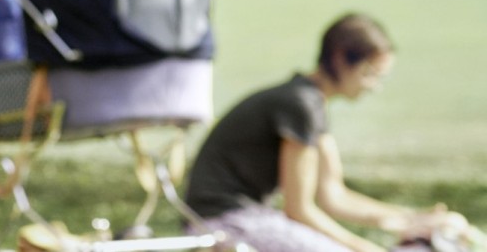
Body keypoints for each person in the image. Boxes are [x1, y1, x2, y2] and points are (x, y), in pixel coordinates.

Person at [184, 13, 481, 251]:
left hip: (244, 217)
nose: (373, 87)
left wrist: (411, 219)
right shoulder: (301, 105)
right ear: (340, 59)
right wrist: (363, 247)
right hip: (224, 220)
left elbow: (333, 195)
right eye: (369, 74)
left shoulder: (311, 102)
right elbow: (298, 209)